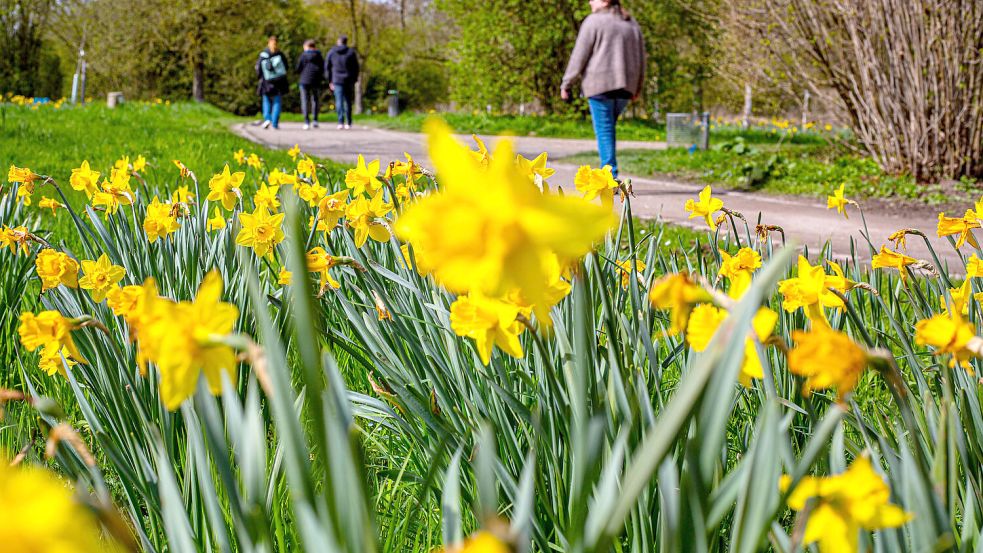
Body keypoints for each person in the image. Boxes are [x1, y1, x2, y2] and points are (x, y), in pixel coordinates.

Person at [560, 0, 645, 179]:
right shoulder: (631, 23)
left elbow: (579, 56)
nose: (590, 1)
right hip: (626, 87)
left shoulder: (593, 21)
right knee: (608, 128)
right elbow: (641, 58)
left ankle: (610, 174)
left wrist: (567, 83)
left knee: (605, 129)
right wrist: (638, 86)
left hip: (599, 84)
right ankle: (609, 171)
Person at [324, 35, 360, 130]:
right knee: (348, 101)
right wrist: (355, 79)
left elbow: (327, 67)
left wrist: (329, 80)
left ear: (338, 42)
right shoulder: (351, 52)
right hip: (348, 79)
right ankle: (349, 122)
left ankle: (340, 122)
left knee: (339, 101)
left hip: (336, 79)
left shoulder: (332, 52)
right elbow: (356, 67)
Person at [255, 35, 289, 129]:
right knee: (277, 102)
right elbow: (286, 67)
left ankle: (267, 119)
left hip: (266, 82)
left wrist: (260, 78)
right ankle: (274, 123)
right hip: (278, 82)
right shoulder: (280, 54)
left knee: (266, 101)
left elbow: (258, 68)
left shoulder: (263, 54)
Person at [296, 39, 325, 130]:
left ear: (306, 47)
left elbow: (298, 68)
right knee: (315, 100)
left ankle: (306, 121)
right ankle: (315, 120)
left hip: (304, 80)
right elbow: (323, 67)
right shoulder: (319, 55)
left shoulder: (303, 55)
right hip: (316, 80)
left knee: (305, 100)